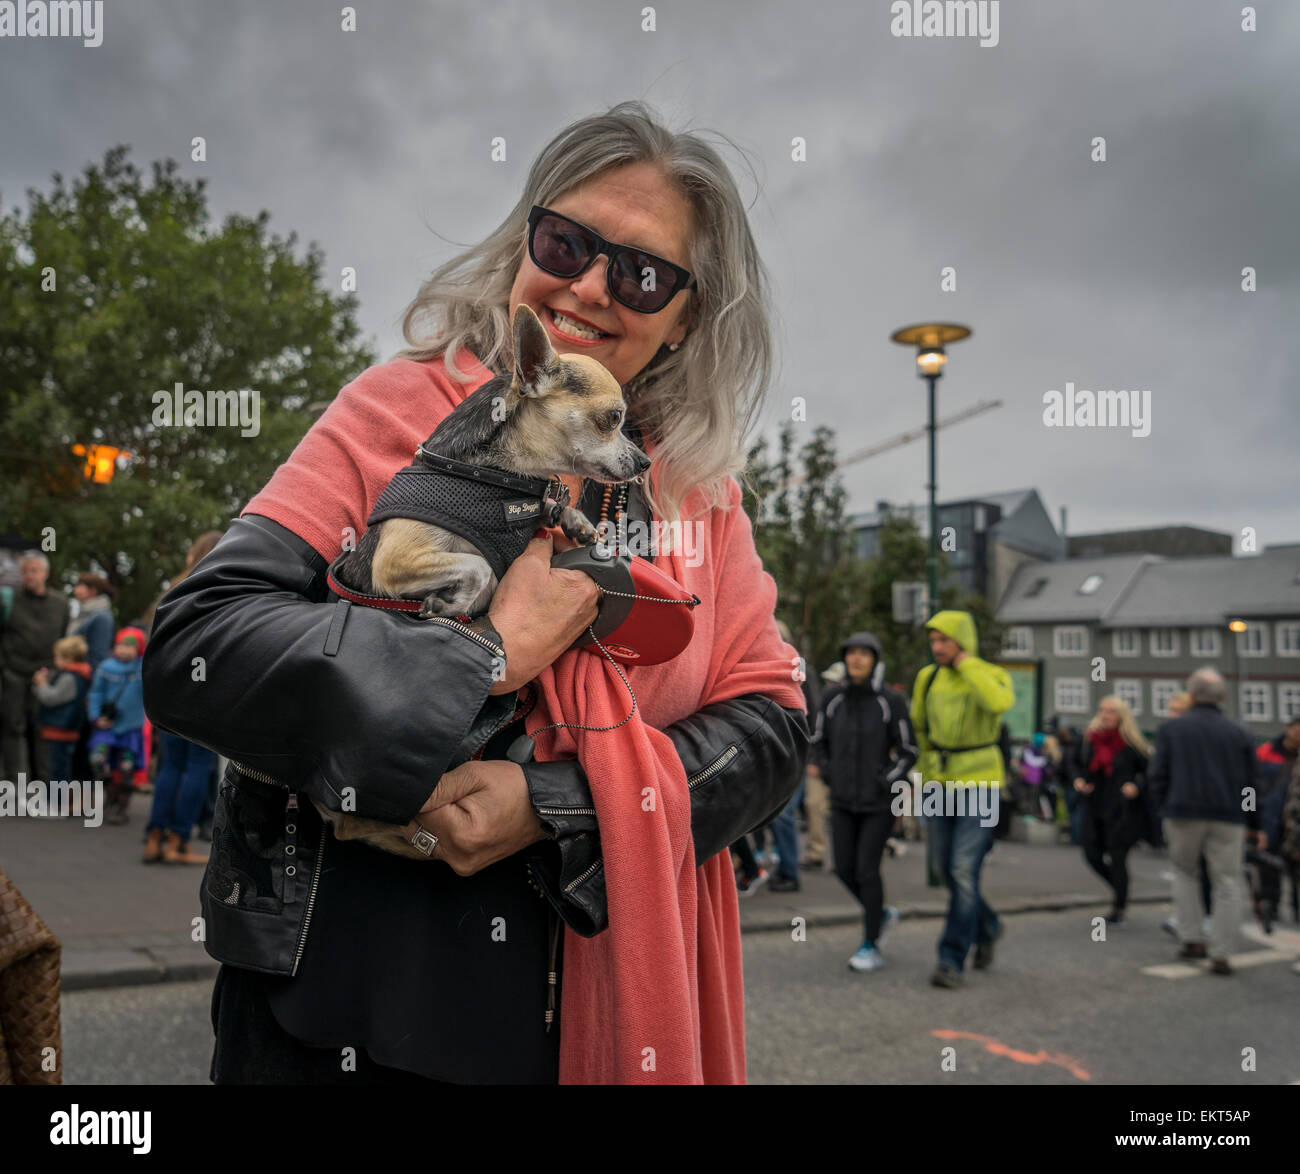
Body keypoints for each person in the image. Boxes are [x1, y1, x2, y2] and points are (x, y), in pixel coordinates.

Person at [143, 101, 811, 1085]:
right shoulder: (395, 408)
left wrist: (553, 804)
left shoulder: (701, 494)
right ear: (523, 240)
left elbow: (773, 728)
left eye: (640, 272)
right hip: (339, 1009)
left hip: (594, 1014)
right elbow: (200, 646)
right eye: (565, 242)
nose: (588, 287)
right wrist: (487, 649)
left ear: (685, 316)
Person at [910, 610, 1014, 989]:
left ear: (962, 641)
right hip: (939, 783)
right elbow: (919, 727)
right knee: (944, 868)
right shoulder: (927, 678)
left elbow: (998, 703)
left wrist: (967, 663)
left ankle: (951, 958)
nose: (937, 647)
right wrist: (926, 774)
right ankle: (988, 927)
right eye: (933, 641)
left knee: (963, 869)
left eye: (944, 640)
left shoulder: (989, 674)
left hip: (981, 783)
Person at [811, 631, 916, 971]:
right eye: (851, 653)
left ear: (875, 660)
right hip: (842, 799)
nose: (857, 659)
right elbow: (817, 740)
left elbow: (908, 750)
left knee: (867, 870)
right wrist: (828, 773)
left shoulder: (890, 701)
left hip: (878, 803)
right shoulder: (832, 698)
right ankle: (880, 913)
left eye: (864, 654)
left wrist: (886, 780)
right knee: (844, 868)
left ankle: (871, 944)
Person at [1147, 668, 1259, 975]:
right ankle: (1221, 952)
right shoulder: (1239, 733)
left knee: (1185, 873)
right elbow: (1251, 784)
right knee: (1227, 881)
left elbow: (1157, 776)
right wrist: (1254, 821)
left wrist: (1160, 809)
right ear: (1223, 698)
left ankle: (1192, 938)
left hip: (1182, 811)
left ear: (1192, 696)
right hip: (1228, 815)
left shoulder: (1172, 730)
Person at [1073, 695, 1151, 923]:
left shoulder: (1130, 745)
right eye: (1102, 710)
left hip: (1121, 809)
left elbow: (1150, 772)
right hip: (1094, 805)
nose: (1105, 715)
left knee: (1118, 858)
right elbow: (1074, 764)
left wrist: (1135, 786)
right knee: (1091, 854)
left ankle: (1119, 904)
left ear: (1121, 716)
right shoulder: (1090, 740)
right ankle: (1120, 888)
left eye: (1111, 711)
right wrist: (1079, 780)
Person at [1, 553, 70, 782]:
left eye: (34, 571)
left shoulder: (60, 603)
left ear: (45, 573)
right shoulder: (9, 600)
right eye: (25, 571)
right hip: (13, 671)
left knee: (42, 728)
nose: (29, 576)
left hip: (45, 672)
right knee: (13, 727)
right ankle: (14, 781)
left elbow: (63, 637)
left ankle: (43, 782)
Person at [86, 628, 147, 825]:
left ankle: (122, 807)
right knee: (98, 759)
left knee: (127, 768)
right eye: (121, 645)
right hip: (107, 727)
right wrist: (96, 717)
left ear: (138, 649)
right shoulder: (106, 667)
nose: (124, 650)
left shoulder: (143, 668)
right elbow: (96, 693)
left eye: (130, 646)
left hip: (130, 728)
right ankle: (110, 796)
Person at [32, 636, 93, 814]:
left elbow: (51, 699)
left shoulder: (69, 678)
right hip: (66, 730)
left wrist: (41, 684)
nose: (55, 661)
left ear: (68, 658)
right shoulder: (78, 675)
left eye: (57, 657)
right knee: (61, 767)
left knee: (58, 770)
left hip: (61, 729)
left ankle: (56, 805)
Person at [1255, 716, 1300, 927]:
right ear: (1288, 729)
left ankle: (1296, 907)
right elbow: (1248, 786)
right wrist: (1249, 817)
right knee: (1268, 865)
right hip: (1269, 820)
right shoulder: (1265, 752)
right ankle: (1270, 905)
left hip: (1295, 823)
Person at [67, 573, 117, 670]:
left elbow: (98, 656)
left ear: (93, 590)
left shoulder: (102, 617)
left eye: (79, 586)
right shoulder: (83, 614)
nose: (75, 590)